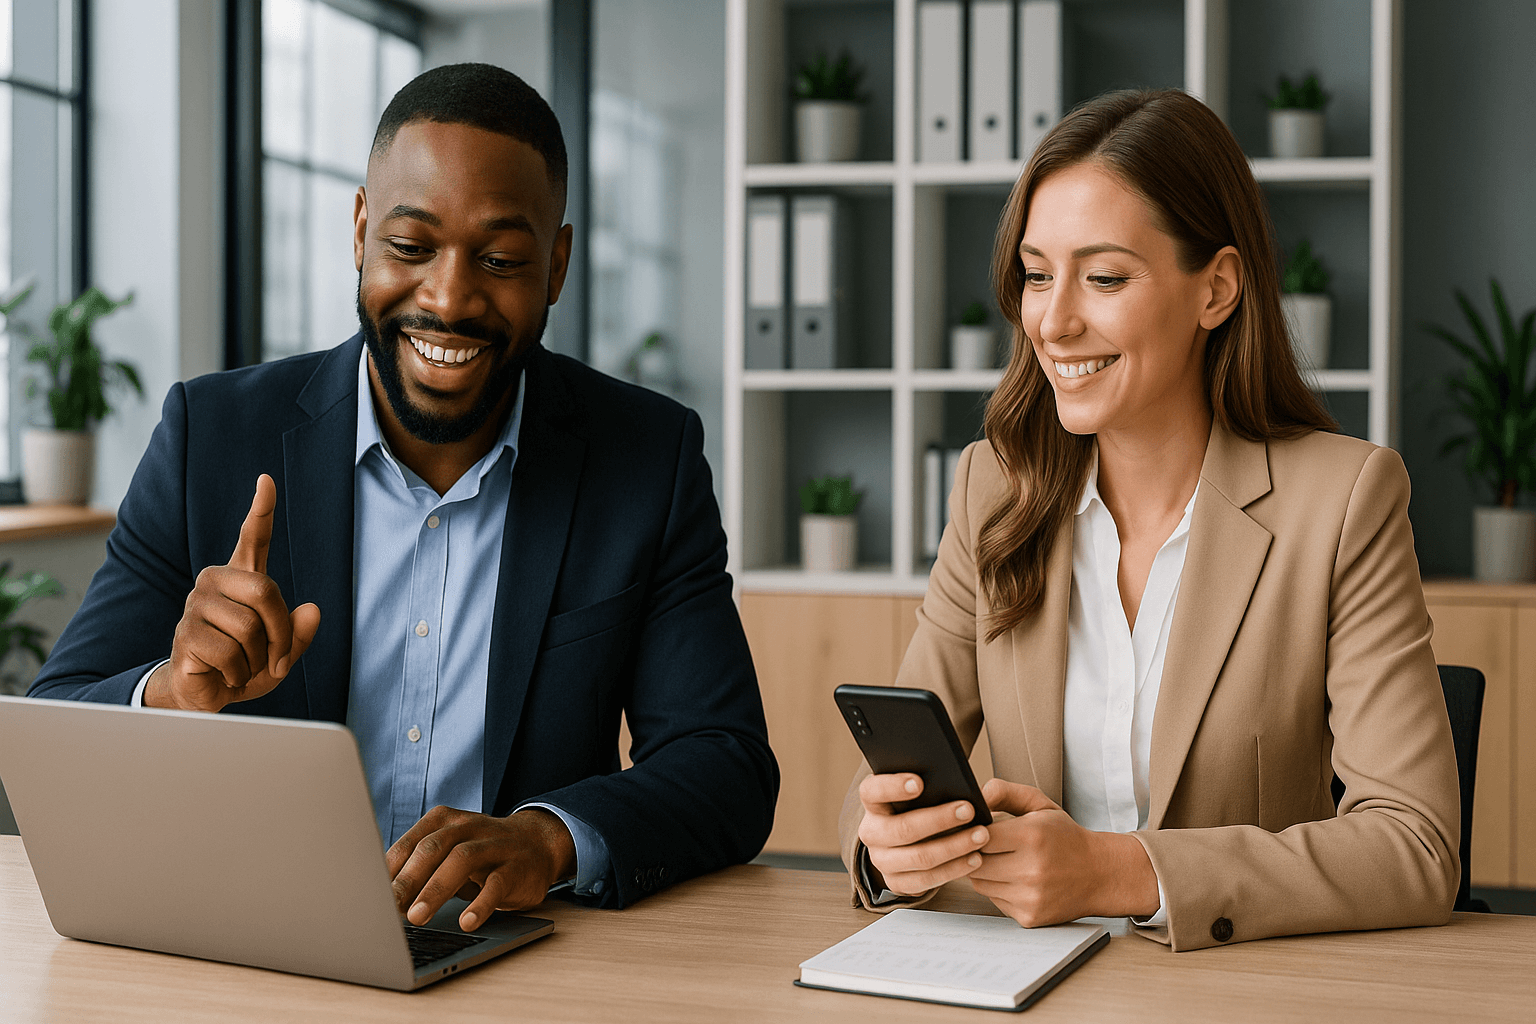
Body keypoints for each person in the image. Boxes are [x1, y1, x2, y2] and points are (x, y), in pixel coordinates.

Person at [31, 63, 778, 932]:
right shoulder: (213, 436)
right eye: (411, 247)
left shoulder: (646, 458)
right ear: (360, 232)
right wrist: (171, 692)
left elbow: (724, 764)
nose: (449, 299)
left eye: (500, 260)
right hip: (255, 940)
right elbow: (52, 727)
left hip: (512, 953)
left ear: (556, 266)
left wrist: (547, 840)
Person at [839, 89, 1459, 952]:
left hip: (1238, 990)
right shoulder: (993, 489)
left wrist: (1117, 873)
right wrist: (891, 848)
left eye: (1104, 278)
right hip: (1027, 984)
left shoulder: (1344, 499)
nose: (1054, 322)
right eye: (1037, 274)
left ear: (1217, 290)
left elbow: (1415, 846)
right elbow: (879, 785)